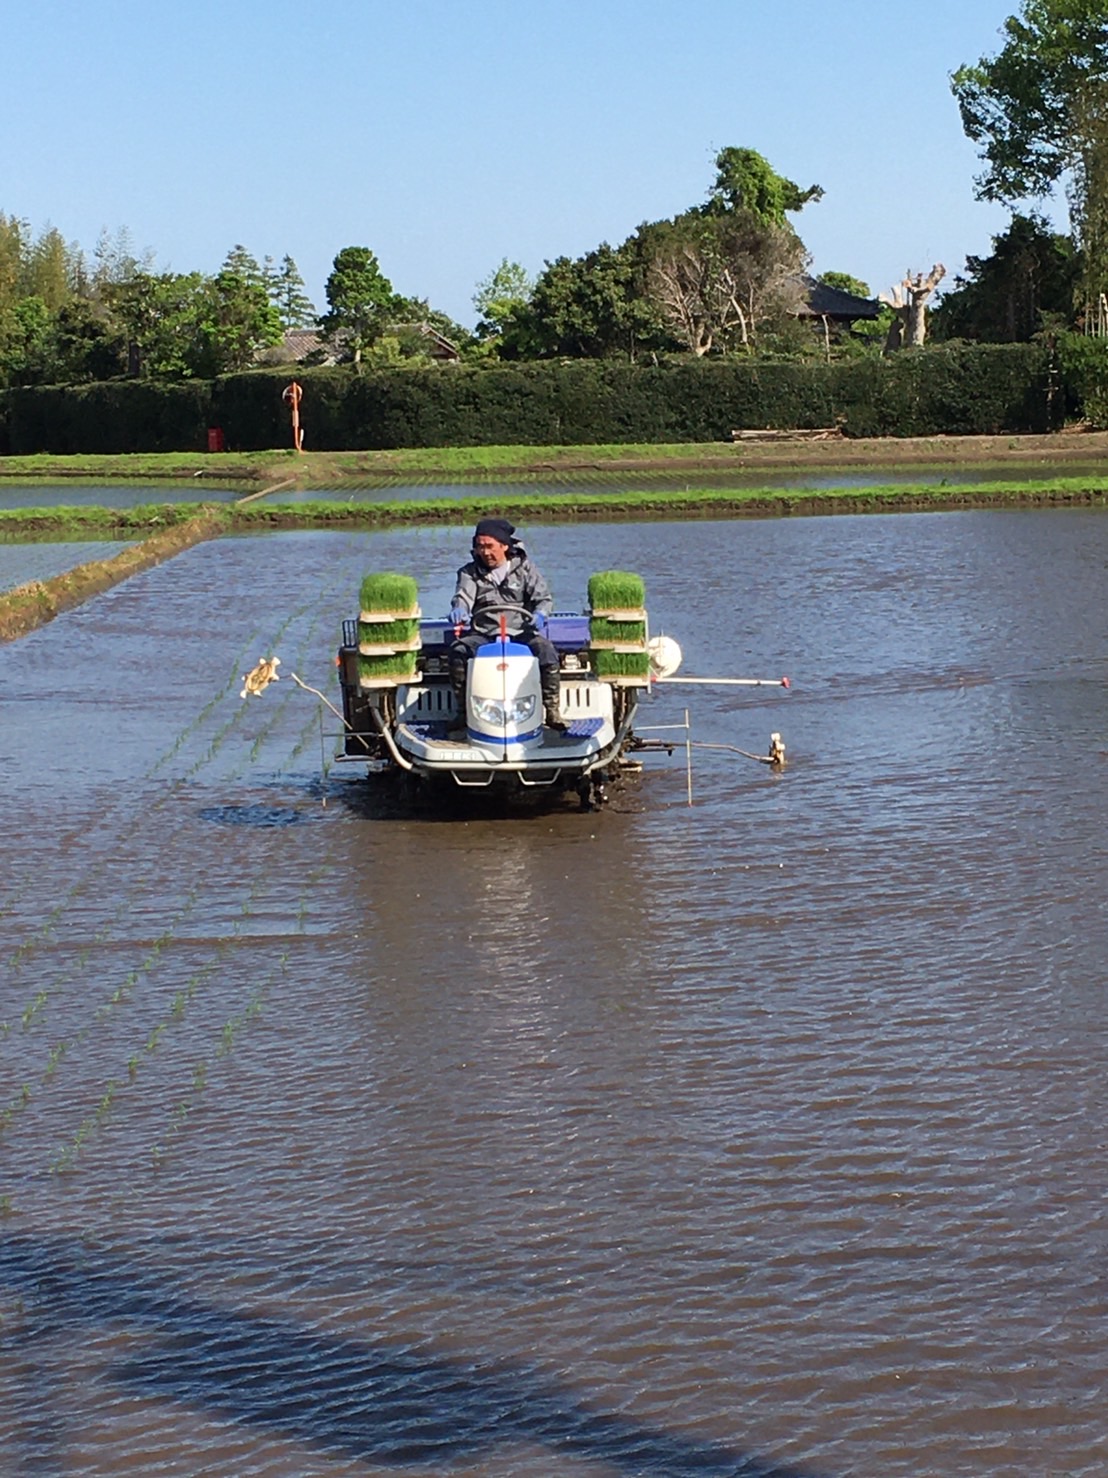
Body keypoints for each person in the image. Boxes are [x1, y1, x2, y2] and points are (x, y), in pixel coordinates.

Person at [448, 517, 564, 734]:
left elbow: (544, 598)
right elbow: (463, 597)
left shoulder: (525, 569)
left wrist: (540, 613)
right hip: (484, 632)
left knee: (546, 651)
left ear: (504, 546)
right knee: (459, 650)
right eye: (480, 546)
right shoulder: (469, 572)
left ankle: (552, 710)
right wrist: (460, 609)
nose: (485, 552)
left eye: (489, 546)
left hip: (521, 632)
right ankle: (463, 712)